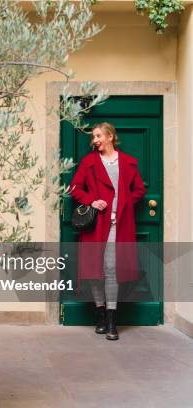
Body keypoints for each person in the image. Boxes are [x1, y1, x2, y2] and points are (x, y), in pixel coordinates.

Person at [70, 122, 146, 340]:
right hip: (96, 225)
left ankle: (112, 320)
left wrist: (124, 203)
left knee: (112, 269)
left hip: (118, 224)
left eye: (98, 136)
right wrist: (92, 201)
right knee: (96, 271)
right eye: (93, 137)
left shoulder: (129, 163)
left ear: (110, 136)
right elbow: (75, 188)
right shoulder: (89, 162)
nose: (95, 140)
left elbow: (139, 189)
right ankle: (100, 315)